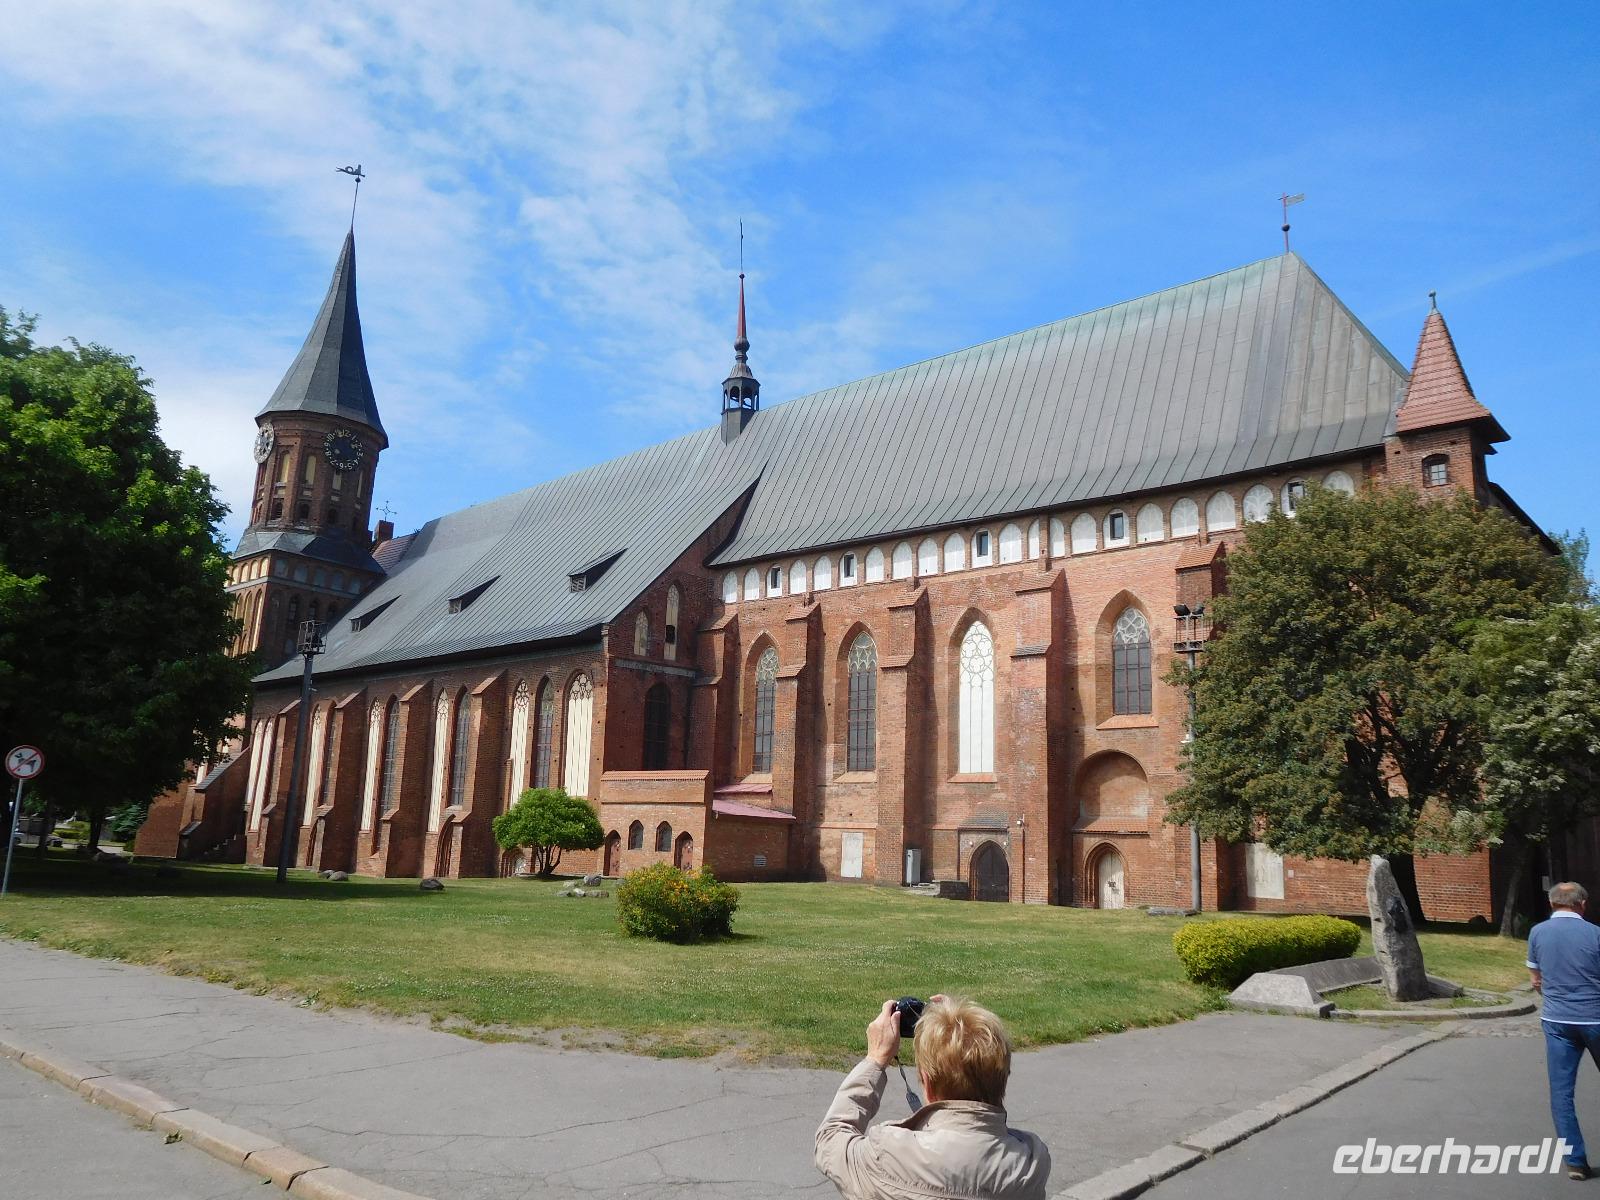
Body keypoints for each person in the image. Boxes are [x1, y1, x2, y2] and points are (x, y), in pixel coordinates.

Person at [814, 994, 1050, 1199]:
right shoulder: (1031, 1162)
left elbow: (830, 1139)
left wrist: (875, 1059)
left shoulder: (888, 1154)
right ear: (1003, 1078)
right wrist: (960, 1026)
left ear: (926, 1083)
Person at [1528, 881, 1600, 1181]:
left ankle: (1575, 1161)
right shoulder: (1595, 934)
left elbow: (1535, 978)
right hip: (1595, 1018)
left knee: (1561, 1093)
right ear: (1582, 904)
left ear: (1552, 903)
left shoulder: (1537, 933)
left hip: (1557, 1020)